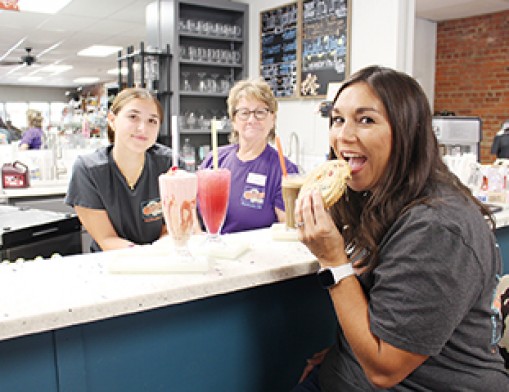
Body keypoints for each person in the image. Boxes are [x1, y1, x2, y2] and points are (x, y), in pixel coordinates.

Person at [293, 66, 508, 391]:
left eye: (366, 120)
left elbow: (384, 370)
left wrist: (333, 261)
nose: (344, 136)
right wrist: (346, 354)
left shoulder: (438, 227)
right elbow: (387, 314)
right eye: (338, 119)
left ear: (408, 131)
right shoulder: (377, 198)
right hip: (345, 373)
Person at [65, 88, 173, 252]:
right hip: (112, 265)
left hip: (161, 259)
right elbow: (107, 239)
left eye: (152, 121)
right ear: (112, 120)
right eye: (133, 117)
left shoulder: (168, 164)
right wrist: (148, 257)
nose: (143, 128)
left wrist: (161, 250)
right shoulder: (88, 170)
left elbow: (172, 228)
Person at [199, 78, 298, 233]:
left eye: (260, 112)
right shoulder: (215, 159)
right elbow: (192, 207)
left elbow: (289, 231)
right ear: (234, 121)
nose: (252, 120)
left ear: (272, 119)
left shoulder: (285, 170)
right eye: (244, 113)